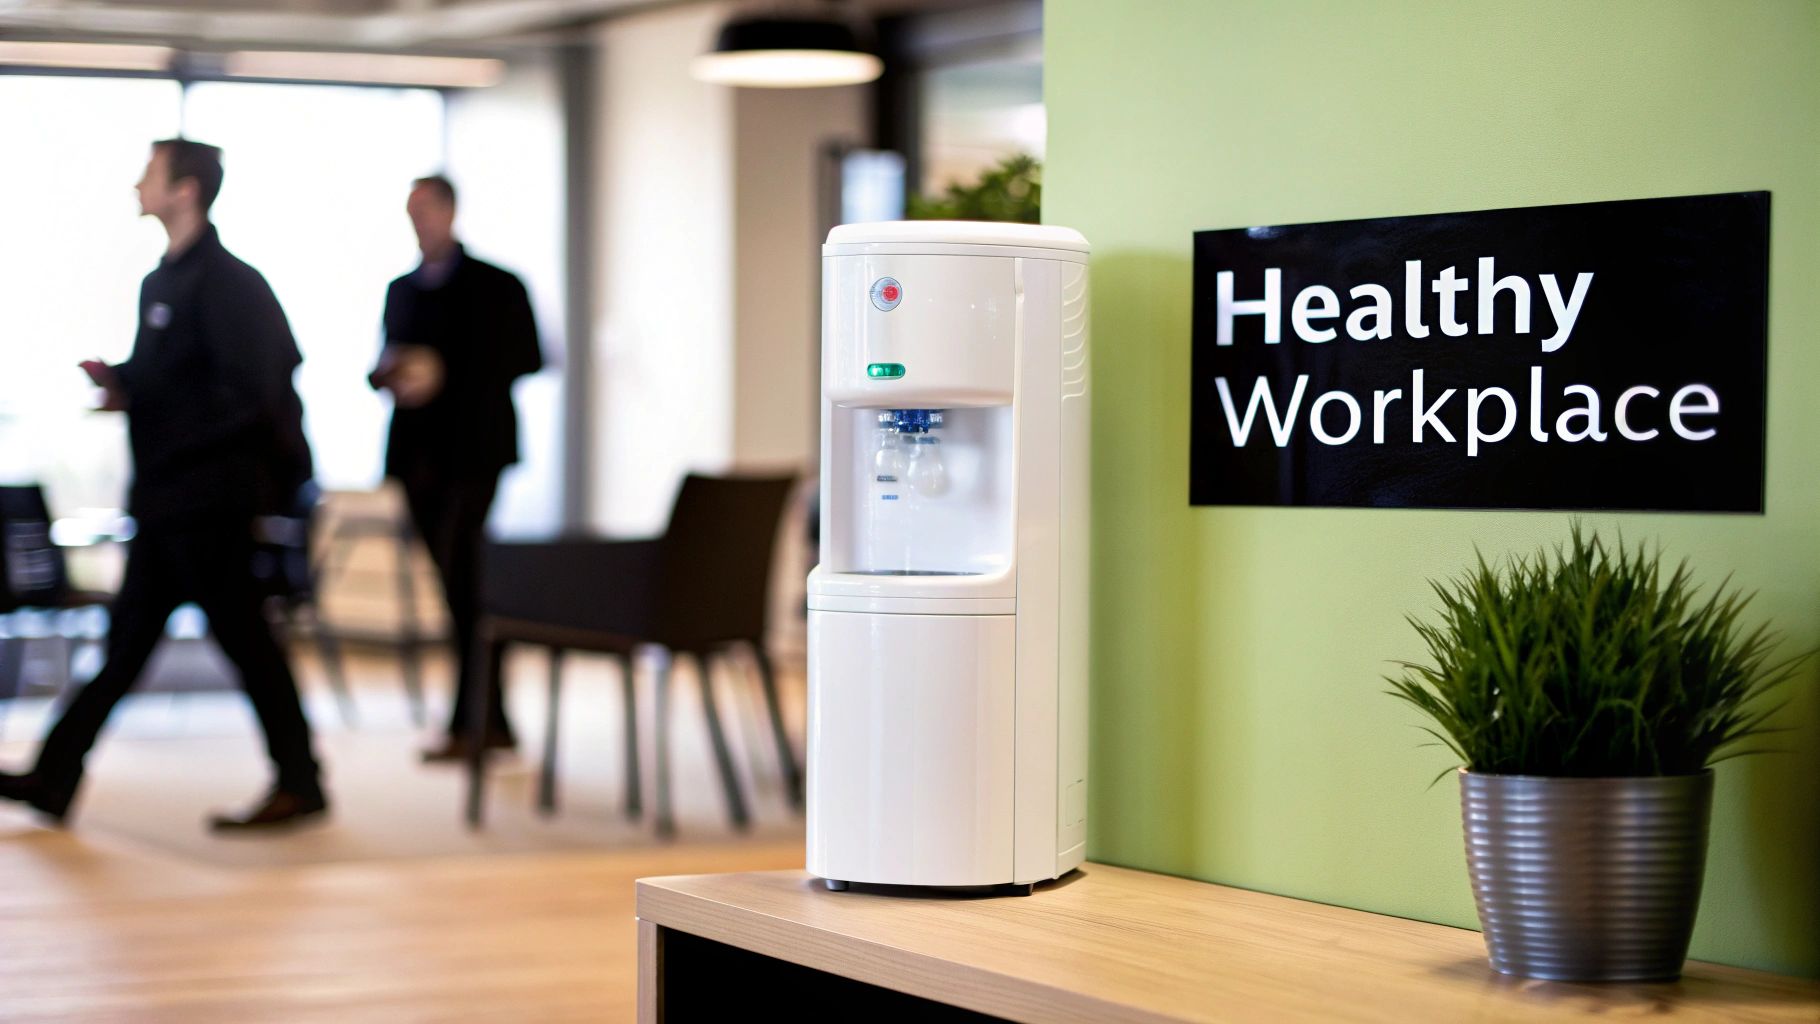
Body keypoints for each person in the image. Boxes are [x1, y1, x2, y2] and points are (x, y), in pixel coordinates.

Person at [0, 138, 327, 830]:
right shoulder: (161, 283)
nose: (136, 185)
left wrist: (163, 417)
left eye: (149, 174)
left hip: (211, 504)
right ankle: (55, 775)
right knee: (129, 648)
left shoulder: (233, 284)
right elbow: (174, 382)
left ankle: (301, 780)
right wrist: (125, 385)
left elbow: (257, 395)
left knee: (245, 645)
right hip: (165, 500)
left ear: (185, 190)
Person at [369, 175, 542, 762]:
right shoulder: (401, 289)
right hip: (417, 457)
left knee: (468, 582)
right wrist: (393, 373)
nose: (419, 221)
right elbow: (384, 360)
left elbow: (528, 357)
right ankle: (486, 719)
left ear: (449, 211)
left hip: (473, 453)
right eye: (409, 211)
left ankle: (477, 720)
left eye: (426, 210)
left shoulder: (497, 285)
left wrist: (444, 371)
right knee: (453, 587)